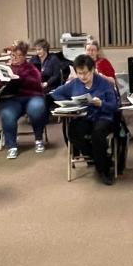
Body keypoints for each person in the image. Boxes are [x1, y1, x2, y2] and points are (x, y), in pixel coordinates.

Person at [51, 54, 119, 185]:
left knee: (98, 134)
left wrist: (102, 104)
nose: (82, 77)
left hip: (103, 116)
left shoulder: (104, 84)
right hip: (84, 116)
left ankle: (103, 171)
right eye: (79, 73)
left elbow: (114, 105)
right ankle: (100, 159)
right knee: (73, 132)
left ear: (92, 70)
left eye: (85, 73)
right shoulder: (74, 83)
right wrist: (68, 103)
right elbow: (56, 93)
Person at [0, 41, 48, 159]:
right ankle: (12, 146)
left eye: (18, 55)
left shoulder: (31, 68)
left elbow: (37, 84)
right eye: (13, 55)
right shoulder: (7, 68)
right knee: (7, 114)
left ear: (24, 56)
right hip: (12, 99)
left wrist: (20, 78)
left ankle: (38, 139)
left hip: (31, 97)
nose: (15, 58)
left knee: (37, 108)